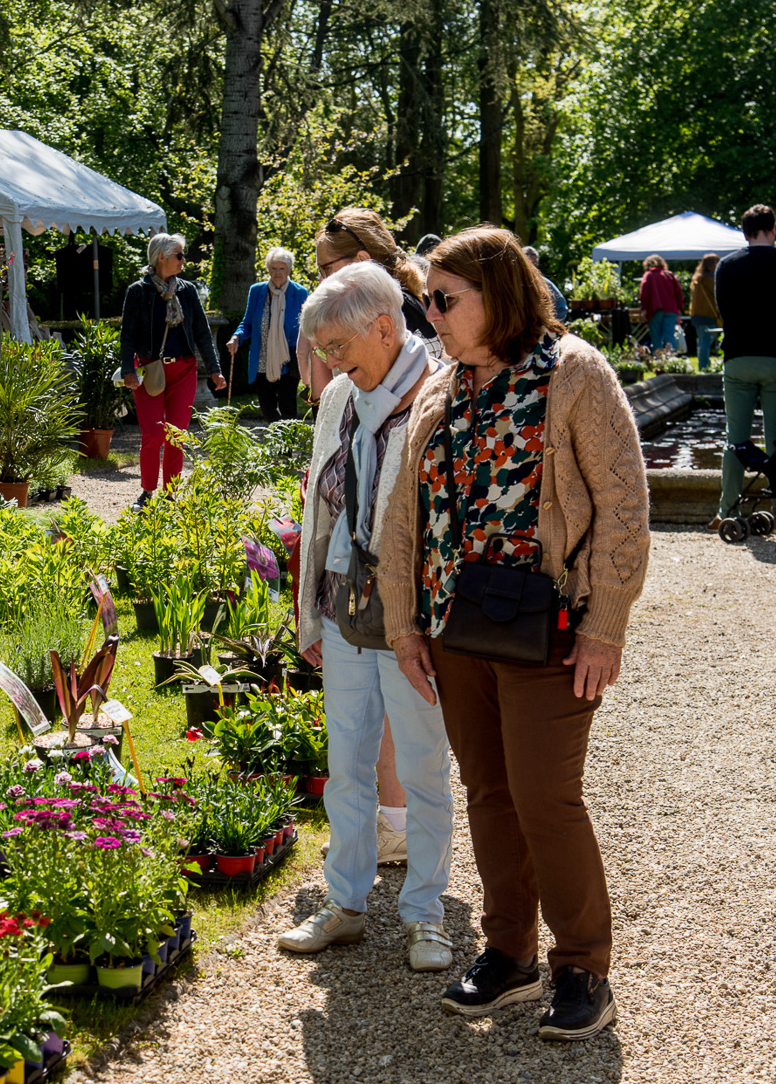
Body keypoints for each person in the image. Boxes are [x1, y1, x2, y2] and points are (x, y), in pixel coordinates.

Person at [379, 227, 650, 1042]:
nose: (427, 313)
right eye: (426, 297)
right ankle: (508, 952)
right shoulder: (444, 384)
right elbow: (403, 517)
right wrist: (404, 624)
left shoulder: (574, 373)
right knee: (490, 795)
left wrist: (607, 625)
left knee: (544, 797)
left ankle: (584, 966)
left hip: (550, 630)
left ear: (497, 294)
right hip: (458, 628)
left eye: (442, 299)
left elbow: (625, 510)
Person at [277, 262, 455, 973]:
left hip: (412, 616)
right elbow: (321, 506)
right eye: (319, 350)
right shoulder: (341, 397)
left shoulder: (441, 394)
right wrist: (311, 611)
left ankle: (426, 915)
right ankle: (346, 903)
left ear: (385, 327)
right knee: (346, 766)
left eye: (336, 346)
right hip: (346, 605)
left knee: (422, 771)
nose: (327, 363)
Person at [309, 208, 437, 854]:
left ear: (364, 262)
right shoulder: (355, 334)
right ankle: (388, 828)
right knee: (366, 722)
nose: (322, 282)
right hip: (353, 565)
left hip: (396, 566)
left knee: (403, 722)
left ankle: (402, 826)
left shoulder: (404, 327)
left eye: (330, 268)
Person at [714, 204, 776, 528]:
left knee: (735, 439)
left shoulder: (726, 266)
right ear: (773, 228)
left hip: (739, 357)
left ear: (745, 231)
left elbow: (723, 310)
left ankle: (727, 512)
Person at [119, 234, 225, 505]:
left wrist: (214, 369)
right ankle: (147, 492)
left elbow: (202, 332)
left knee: (177, 435)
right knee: (153, 435)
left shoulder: (187, 291)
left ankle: (170, 495)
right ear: (161, 257)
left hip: (184, 371)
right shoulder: (137, 291)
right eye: (179, 255)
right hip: (150, 371)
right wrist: (127, 369)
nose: (183, 260)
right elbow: (127, 335)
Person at [308, 209, 435, 406]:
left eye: (326, 269)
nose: (322, 280)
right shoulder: (399, 303)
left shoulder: (395, 311)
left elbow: (329, 403)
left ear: (361, 261)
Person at [227, 248, 309, 421]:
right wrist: (236, 337)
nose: (277, 273)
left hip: (288, 359)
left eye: (282, 268)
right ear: (268, 269)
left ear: (289, 269)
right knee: (267, 408)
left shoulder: (300, 293)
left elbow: (307, 325)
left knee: (288, 408)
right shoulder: (257, 291)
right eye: (273, 268)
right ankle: (276, 444)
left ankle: (285, 447)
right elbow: (247, 323)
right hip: (262, 360)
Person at [638, 254, 683, 353]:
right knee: (669, 336)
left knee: (656, 337)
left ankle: (658, 360)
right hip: (671, 309)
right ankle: (672, 359)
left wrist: (644, 308)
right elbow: (678, 293)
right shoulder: (669, 275)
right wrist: (679, 310)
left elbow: (644, 293)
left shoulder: (649, 275)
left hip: (655, 309)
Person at [688, 253, 722, 371]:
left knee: (703, 341)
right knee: (706, 342)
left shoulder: (697, 279)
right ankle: (704, 366)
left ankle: (703, 365)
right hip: (709, 313)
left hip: (696, 314)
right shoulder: (711, 279)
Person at [522, 246, 569, 322]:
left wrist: (550, 327)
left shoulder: (545, 284)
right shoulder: (512, 283)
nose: (529, 268)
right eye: (526, 264)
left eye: (532, 264)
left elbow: (561, 308)